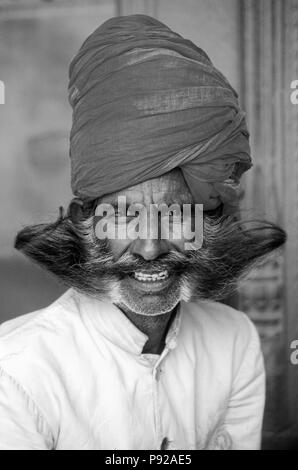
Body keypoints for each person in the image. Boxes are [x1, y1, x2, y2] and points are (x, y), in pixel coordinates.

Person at [0, 15, 286, 450]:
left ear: (208, 221)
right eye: (122, 216)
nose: (150, 247)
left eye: (175, 215)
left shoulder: (234, 340)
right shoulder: (17, 371)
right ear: (84, 221)